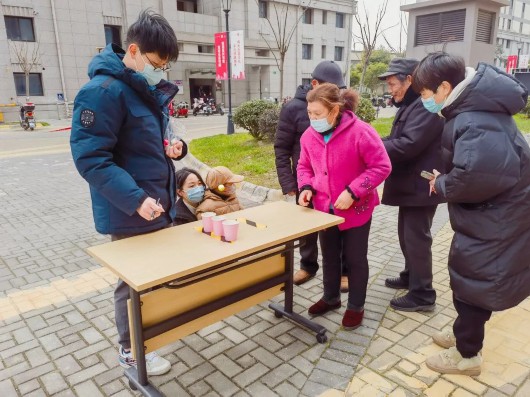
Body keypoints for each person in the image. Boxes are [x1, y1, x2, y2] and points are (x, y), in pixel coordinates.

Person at [70, 10, 185, 376]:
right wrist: (135, 199)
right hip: (131, 209)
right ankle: (130, 349)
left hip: (158, 203)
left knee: (154, 278)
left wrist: (176, 146)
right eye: (155, 63)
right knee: (133, 283)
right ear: (133, 51)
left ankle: (147, 336)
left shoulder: (144, 89)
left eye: (164, 67)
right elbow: (91, 159)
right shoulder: (101, 92)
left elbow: (157, 138)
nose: (159, 72)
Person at [412, 52, 530, 376]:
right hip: (494, 214)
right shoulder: (473, 109)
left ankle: (467, 355)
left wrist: (442, 183)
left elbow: (476, 177)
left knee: (475, 283)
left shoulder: (474, 118)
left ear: (445, 87)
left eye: (425, 94)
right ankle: (464, 331)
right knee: (472, 280)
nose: (425, 101)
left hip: (497, 218)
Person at [297, 83, 391, 330]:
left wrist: (353, 191)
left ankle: (355, 306)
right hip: (324, 209)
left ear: (334, 110)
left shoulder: (361, 132)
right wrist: (306, 187)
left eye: (317, 114)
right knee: (329, 256)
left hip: (356, 210)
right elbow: (304, 166)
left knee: (356, 258)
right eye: (310, 113)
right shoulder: (309, 136)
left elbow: (381, 166)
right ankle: (331, 298)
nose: (313, 119)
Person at [377, 58, 445, 312]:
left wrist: (372, 146)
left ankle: (423, 294)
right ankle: (410, 275)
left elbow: (408, 145)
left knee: (417, 239)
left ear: (410, 80)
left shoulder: (425, 107)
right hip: (411, 186)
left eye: (393, 83)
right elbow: (397, 138)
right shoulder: (411, 105)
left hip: (422, 185)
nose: (390, 89)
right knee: (407, 236)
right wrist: (374, 138)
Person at [275, 60, 349, 288]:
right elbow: (281, 148)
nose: (336, 94)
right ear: (314, 83)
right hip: (305, 180)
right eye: (331, 88)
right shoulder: (292, 109)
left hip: (334, 183)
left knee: (339, 228)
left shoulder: (339, 107)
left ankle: (343, 271)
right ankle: (308, 265)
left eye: (339, 90)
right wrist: (289, 183)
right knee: (307, 229)